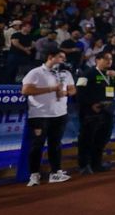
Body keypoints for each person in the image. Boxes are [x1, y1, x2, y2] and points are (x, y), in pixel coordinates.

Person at [21, 50, 76, 186]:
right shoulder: (36, 72)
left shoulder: (66, 73)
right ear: (50, 57)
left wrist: (66, 93)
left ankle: (55, 172)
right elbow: (25, 90)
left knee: (55, 144)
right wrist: (51, 89)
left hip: (60, 114)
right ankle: (34, 174)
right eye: (60, 57)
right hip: (40, 115)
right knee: (37, 145)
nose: (63, 60)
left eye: (64, 58)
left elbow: (73, 89)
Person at [77, 50, 115, 173]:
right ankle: (84, 165)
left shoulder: (111, 74)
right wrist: (91, 104)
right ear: (97, 60)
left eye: (111, 59)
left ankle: (96, 164)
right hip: (91, 112)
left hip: (107, 111)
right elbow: (80, 91)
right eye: (106, 59)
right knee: (87, 139)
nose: (109, 61)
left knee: (102, 139)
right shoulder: (87, 73)